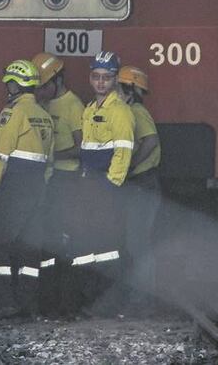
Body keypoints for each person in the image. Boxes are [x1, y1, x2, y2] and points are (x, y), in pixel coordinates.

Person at [0, 60, 55, 320]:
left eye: (9, 84)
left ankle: (3, 302)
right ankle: (28, 304)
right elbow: (49, 162)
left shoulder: (12, 113)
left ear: (15, 85)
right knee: (29, 247)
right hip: (38, 186)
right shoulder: (45, 116)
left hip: (15, 184)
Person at [69, 51, 133, 313]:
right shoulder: (90, 109)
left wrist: (111, 184)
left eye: (106, 77)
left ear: (115, 79)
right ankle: (91, 298)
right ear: (90, 78)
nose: (101, 82)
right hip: (89, 184)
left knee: (107, 245)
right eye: (96, 76)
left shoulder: (120, 111)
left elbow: (124, 151)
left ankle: (110, 301)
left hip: (106, 186)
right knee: (88, 242)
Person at [31, 52, 85, 315]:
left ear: (57, 80)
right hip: (49, 179)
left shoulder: (73, 106)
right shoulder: (43, 104)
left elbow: (82, 147)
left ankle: (67, 303)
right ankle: (49, 301)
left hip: (67, 179)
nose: (40, 90)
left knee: (64, 241)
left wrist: (53, 156)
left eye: (43, 85)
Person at [118, 65, 162, 309]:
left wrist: (131, 165)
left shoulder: (136, 111)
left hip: (143, 184)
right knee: (135, 242)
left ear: (130, 90)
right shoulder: (132, 110)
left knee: (138, 243)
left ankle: (143, 299)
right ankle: (140, 298)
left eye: (119, 88)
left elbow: (151, 141)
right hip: (141, 185)